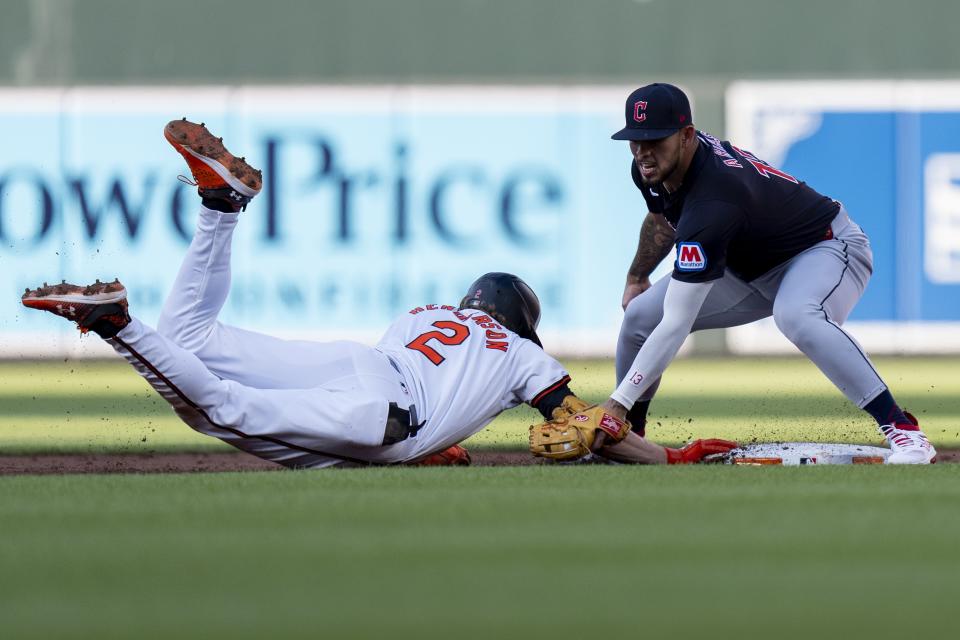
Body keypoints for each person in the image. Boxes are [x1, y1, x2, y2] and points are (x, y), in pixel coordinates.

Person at [21, 119, 735, 469]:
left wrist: (442, 447)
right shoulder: (522, 356)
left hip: (361, 365)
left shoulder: (425, 313)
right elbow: (589, 429)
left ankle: (220, 209)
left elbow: (448, 390)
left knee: (194, 340)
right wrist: (659, 453)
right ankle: (117, 323)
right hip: (385, 414)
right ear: (523, 321)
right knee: (219, 411)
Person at [600, 83, 936, 464]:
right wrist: (636, 277)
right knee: (641, 315)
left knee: (796, 315)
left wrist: (616, 402)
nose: (643, 151)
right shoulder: (653, 167)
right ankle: (627, 442)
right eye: (635, 139)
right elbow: (662, 219)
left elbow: (678, 322)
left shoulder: (714, 200)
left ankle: (905, 432)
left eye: (655, 139)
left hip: (824, 248)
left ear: (687, 135)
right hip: (749, 268)